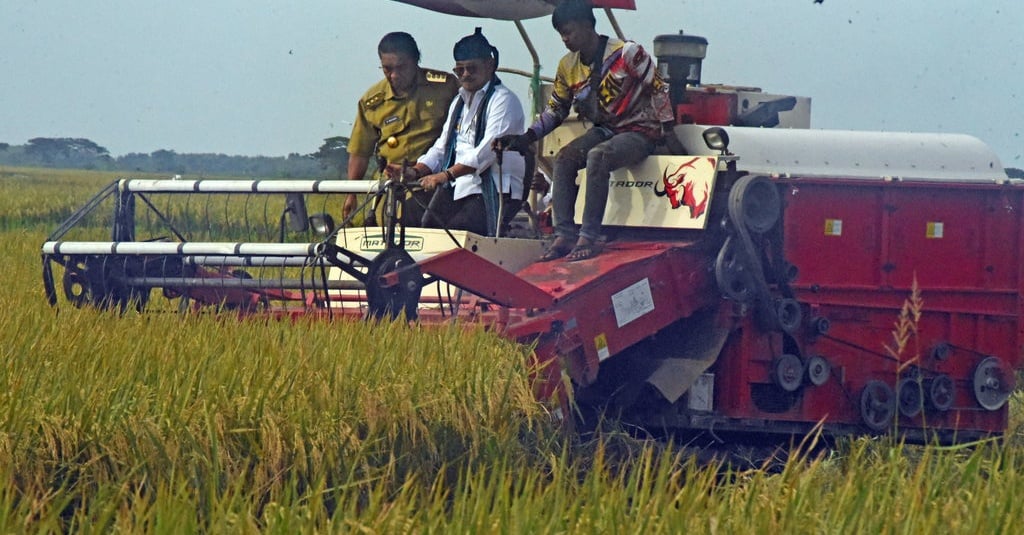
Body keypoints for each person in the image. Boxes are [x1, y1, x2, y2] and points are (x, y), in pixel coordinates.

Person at [495, 0, 673, 261]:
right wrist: (526, 137)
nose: (565, 39)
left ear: (588, 25)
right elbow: (556, 110)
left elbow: (659, 88)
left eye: (569, 32)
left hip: (640, 131)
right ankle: (564, 235)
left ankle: (589, 236)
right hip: (605, 130)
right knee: (565, 158)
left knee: (598, 156)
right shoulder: (567, 66)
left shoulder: (627, 53)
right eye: (561, 34)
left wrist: (667, 132)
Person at [388, 28, 526, 237]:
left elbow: (486, 152)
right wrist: (415, 171)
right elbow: (441, 148)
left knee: (456, 233)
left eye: (471, 68)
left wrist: (446, 175)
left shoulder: (504, 100)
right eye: (459, 70)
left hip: (496, 189)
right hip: (459, 187)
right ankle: (409, 269)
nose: (465, 75)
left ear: (489, 66)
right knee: (411, 212)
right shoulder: (459, 102)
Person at [345, 32, 459, 226]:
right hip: (390, 185)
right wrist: (351, 194)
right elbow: (360, 152)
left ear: (416, 61)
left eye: (401, 67)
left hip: (433, 183)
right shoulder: (372, 101)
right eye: (387, 69)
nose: (394, 75)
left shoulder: (446, 87)